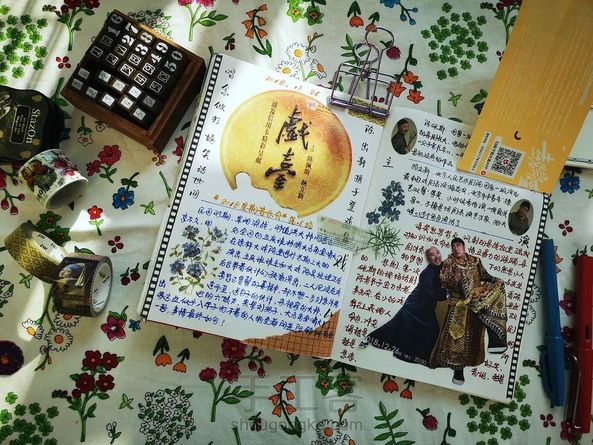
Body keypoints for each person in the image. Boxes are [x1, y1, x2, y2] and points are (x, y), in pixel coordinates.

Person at [430, 238, 507, 385]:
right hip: (459, 304)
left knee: (475, 335)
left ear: (464, 247)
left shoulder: (475, 261)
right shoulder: (448, 263)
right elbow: (444, 282)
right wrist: (455, 280)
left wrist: (495, 280)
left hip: (476, 300)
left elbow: (485, 276)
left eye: (458, 245)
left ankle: (495, 339)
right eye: (453, 246)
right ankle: (458, 371)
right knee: (457, 338)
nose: (456, 248)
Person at [359, 246, 447, 366]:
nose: (436, 256)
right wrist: (447, 293)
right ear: (428, 259)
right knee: (396, 327)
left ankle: (416, 357)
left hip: (425, 307)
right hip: (414, 306)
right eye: (432, 255)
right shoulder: (426, 274)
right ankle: (369, 340)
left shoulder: (442, 266)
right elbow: (432, 294)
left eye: (437, 253)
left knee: (429, 330)